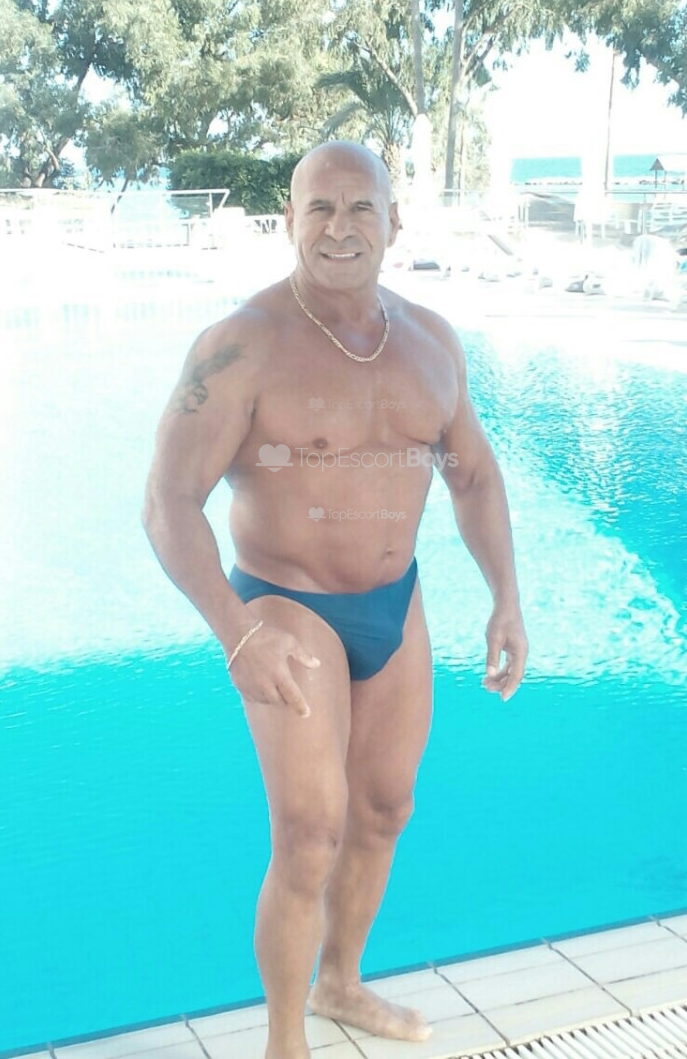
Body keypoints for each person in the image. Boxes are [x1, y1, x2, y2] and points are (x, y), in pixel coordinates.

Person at [142, 140, 527, 1059]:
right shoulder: (242, 346)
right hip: (287, 605)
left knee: (386, 808)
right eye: (320, 207)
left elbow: (473, 477)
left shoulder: (432, 341)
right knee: (310, 833)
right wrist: (236, 632)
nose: (340, 227)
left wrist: (506, 597)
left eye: (361, 207)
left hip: (396, 602)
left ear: (396, 220)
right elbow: (167, 504)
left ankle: (341, 983)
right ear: (290, 220)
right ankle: (285, 1042)